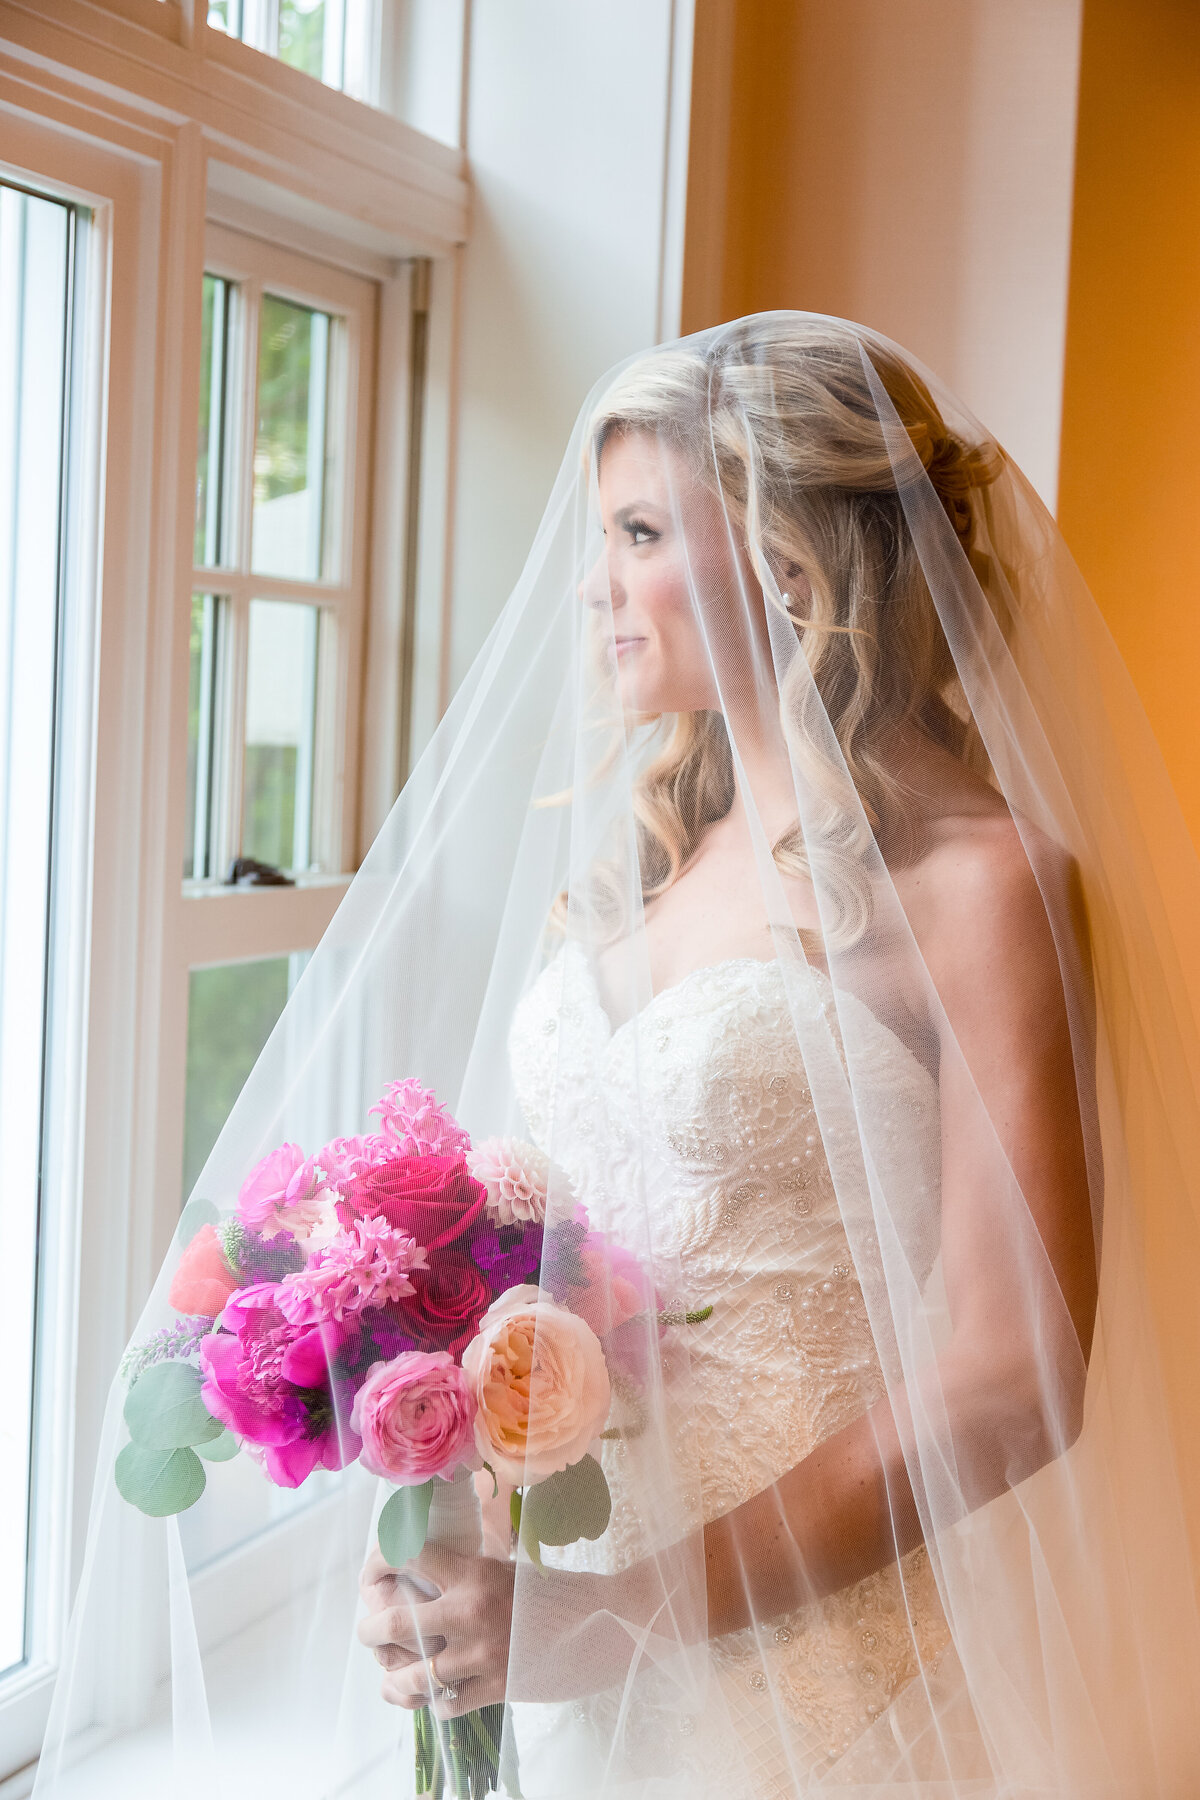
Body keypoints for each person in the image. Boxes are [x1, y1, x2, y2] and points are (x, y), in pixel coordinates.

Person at [37, 316, 1200, 1799]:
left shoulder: (985, 883)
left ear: (788, 561)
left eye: (639, 531)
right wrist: (461, 1550)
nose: (593, 586)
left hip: (827, 1689)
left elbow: (1009, 1379)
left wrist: (624, 1617)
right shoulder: (655, 852)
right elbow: (576, 1272)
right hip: (572, 1669)